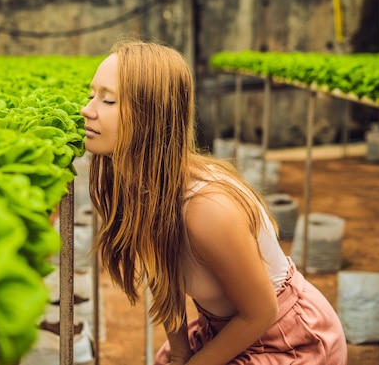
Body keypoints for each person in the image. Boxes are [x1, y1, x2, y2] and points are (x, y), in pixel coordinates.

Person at [80, 39, 347, 365]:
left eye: (108, 100)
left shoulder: (207, 210)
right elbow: (164, 276)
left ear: (150, 116)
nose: (87, 109)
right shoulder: (142, 186)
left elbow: (261, 313)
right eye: (92, 94)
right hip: (223, 329)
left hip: (289, 338)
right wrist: (180, 353)